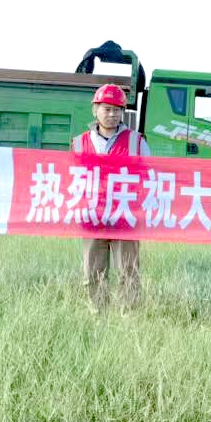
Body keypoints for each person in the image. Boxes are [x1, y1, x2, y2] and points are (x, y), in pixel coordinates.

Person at [72, 83, 150, 310]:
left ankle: (129, 317)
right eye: (107, 109)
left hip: (125, 217)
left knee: (129, 272)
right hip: (92, 217)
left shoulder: (137, 142)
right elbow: (71, 178)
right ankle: (97, 315)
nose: (112, 114)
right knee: (92, 272)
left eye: (117, 110)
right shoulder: (79, 142)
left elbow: (149, 176)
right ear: (95, 110)